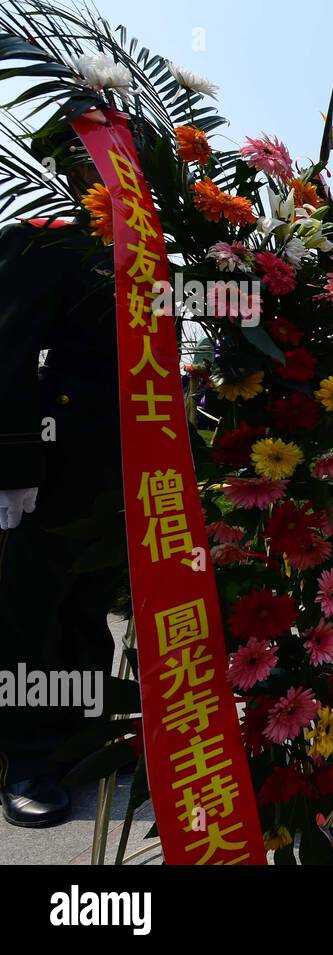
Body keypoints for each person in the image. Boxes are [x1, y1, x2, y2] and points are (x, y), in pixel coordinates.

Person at [0, 124, 117, 828]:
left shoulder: (140, 256)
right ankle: (27, 755)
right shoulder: (42, 238)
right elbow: (7, 347)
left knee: (86, 605)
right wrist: (13, 464)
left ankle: (78, 734)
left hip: (110, 467)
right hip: (50, 464)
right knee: (30, 614)